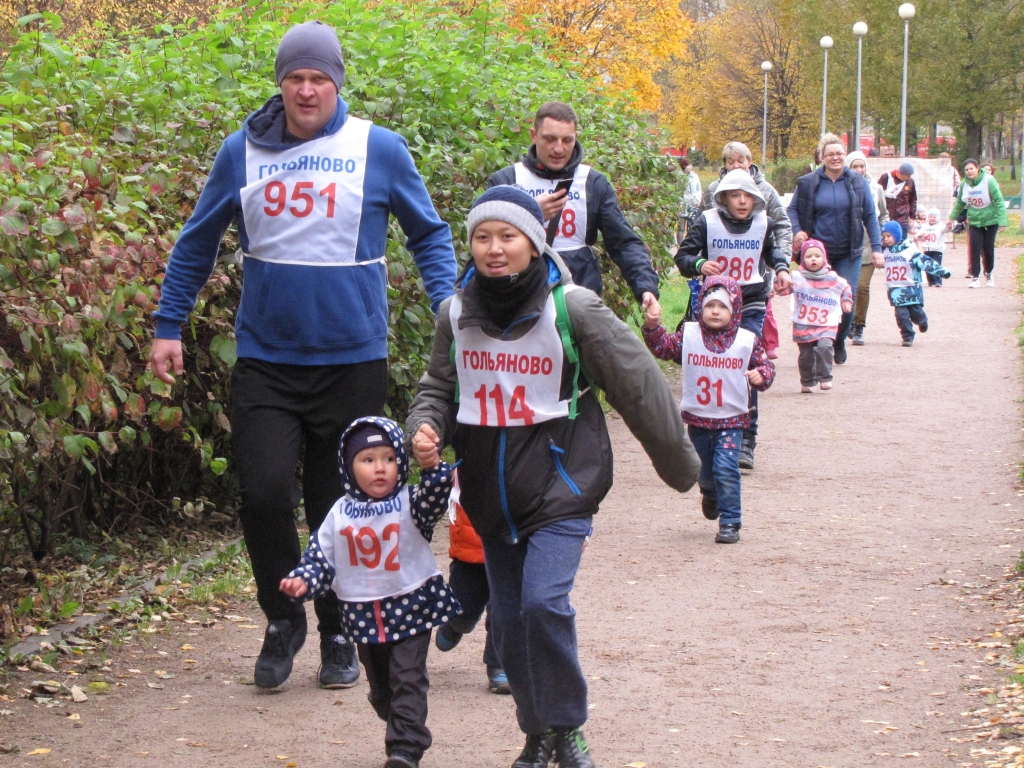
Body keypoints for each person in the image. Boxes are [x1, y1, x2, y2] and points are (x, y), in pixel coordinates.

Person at [147, 21, 458, 691]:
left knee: (337, 504)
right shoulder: (242, 153)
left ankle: (339, 628)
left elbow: (429, 234)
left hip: (351, 359)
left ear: (337, 83)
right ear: (281, 84)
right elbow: (197, 241)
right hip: (266, 358)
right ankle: (283, 618)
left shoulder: (379, 149)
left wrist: (450, 310)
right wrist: (168, 323)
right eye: (296, 78)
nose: (308, 89)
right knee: (262, 493)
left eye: (320, 78)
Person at [406, 185, 700, 768]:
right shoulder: (455, 314)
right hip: (489, 494)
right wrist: (425, 426)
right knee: (511, 623)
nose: (494, 248)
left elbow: (637, 384)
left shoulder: (576, 308)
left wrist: (684, 467)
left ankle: (567, 729)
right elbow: (438, 388)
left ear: (534, 244)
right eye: (482, 237)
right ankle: (536, 732)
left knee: (543, 604)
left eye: (508, 236)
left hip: (564, 483)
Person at [279, 417, 459, 768]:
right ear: (348, 467)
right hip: (364, 616)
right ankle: (392, 712)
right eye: (368, 460)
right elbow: (321, 556)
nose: (380, 469)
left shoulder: (411, 502)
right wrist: (303, 581)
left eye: (389, 459)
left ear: (400, 464)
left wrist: (434, 466)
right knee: (383, 690)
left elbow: (437, 497)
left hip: (412, 605)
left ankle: (405, 748)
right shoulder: (339, 514)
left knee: (408, 677)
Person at [487, 102, 660, 314]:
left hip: (579, 295)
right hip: (521, 293)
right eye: (550, 139)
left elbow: (623, 242)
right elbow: (487, 240)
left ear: (575, 137)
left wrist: (645, 287)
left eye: (567, 140)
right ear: (534, 135)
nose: (559, 149)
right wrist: (532, 213)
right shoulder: (506, 180)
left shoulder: (593, 182)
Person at [642, 276, 774, 544]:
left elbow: (767, 367)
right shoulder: (689, 337)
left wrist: (761, 375)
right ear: (700, 307)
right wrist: (652, 327)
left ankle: (730, 522)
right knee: (704, 471)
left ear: (735, 310)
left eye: (723, 306)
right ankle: (710, 492)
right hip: (699, 420)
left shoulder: (746, 341)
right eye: (710, 305)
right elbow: (664, 347)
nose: (715, 311)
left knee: (726, 467)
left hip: (732, 420)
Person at [677, 168, 792, 471]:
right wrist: (700, 264)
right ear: (724, 198)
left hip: (751, 303)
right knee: (715, 368)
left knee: (747, 365)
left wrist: (782, 270)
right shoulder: (707, 222)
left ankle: (746, 439)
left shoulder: (763, 224)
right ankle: (705, 429)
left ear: (756, 198)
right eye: (735, 195)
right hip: (715, 306)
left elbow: (773, 253)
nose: (742, 201)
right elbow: (683, 259)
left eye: (748, 196)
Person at [787, 133, 882, 365]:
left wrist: (877, 248)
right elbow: (792, 211)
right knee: (817, 301)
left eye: (840, 154)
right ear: (822, 157)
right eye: (830, 154)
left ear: (845, 156)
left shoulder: (857, 181)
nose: (835, 158)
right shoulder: (808, 182)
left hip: (849, 252)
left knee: (847, 298)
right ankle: (817, 345)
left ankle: (838, 340)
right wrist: (797, 230)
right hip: (817, 254)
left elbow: (870, 215)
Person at [434, 469, 510, 695]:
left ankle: (500, 663)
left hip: (511, 540)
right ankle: (456, 624)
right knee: (463, 606)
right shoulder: (470, 435)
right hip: (471, 544)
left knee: (505, 606)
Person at [775, 240, 852, 393]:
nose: (814, 259)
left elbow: (846, 288)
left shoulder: (832, 278)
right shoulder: (797, 277)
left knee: (825, 347)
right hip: (804, 323)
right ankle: (807, 380)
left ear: (824, 258)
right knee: (806, 354)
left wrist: (846, 302)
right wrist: (777, 289)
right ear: (803, 259)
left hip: (826, 322)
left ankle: (825, 377)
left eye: (818, 255)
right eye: (809, 256)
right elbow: (784, 289)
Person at [880, 221, 950, 347]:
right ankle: (907, 336)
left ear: (896, 236)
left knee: (916, 313)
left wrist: (941, 271)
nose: (885, 239)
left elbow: (925, 261)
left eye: (888, 236)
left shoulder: (909, 250)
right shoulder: (885, 252)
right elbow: (876, 261)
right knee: (901, 315)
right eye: (883, 237)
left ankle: (922, 321)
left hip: (911, 288)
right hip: (895, 289)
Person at [845, 151, 888, 346]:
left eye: (862, 166)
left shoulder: (876, 188)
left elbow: (883, 215)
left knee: (862, 287)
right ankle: (844, 324)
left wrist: (883, 233)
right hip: (846, 245)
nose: (860, 170)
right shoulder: (841, 186)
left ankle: (858, 326)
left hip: (869, 246)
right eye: (855, 166)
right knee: (846, 289)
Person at [948, 158, 1007, 288]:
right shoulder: (964, 184)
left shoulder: (989, 181)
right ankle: (975, 277)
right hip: (974, 220)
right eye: (967, 170)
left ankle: (989, 273)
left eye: (971, 169)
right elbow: (960, 203)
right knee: (974, 247)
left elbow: (998, 201)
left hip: (991, 219)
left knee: (988, 248)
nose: (969, 171)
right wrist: (952, 218)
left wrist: (1002, 221)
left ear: (977, 169)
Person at [876, 162, 918, 239]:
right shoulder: (886, 177)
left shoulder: (910, 182)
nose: (909, 177)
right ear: (900, 173)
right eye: (907, 176)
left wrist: (912, 217)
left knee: (901, 243)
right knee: (885, 243)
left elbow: (913, 200)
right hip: (887, 217)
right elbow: (877, 194)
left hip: (902, 219)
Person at [915, 208, 946, 286]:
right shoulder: (924, 226)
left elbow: (946, 229)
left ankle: (937, 281)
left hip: (937, 249)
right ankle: (930, 281)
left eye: (934, 217)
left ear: (938, 218)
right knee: (927, 265)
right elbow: (917, 235)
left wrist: (949, 226)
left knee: (936, 265)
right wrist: (919, 236)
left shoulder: (940, 226)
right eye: (930, 217)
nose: (932, 218)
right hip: (926, 248)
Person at [676, 155, 702, 244]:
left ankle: (690, 245)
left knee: (692, 227)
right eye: (688, 165)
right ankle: (680, 246)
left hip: (693, 204)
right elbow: (677, 191)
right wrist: (680, 203)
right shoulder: (679, 177)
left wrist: (698, 199)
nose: (690, 167)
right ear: (684, 167)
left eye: (691, 165)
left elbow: (699, 188)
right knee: (681, 228)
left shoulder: (694, 176)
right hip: (683, 205)